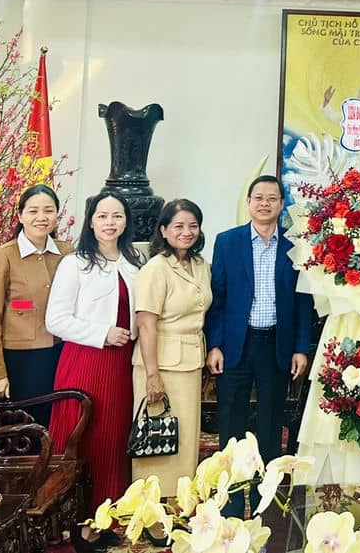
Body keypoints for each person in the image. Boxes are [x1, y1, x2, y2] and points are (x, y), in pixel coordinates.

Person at [206, 175, 314, 517]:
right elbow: (217, 299)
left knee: (270, 424)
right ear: (249, 202)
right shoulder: (228, 242)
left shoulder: (295, 246)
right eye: (259, 198)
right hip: (237, 345)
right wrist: (216, 345)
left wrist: (300, 348)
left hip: (275, 345)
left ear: (282, 205)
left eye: (272, 198)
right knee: (231, 423)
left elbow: (302, 303)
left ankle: (268, 500)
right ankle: (233, 503)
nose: (265, 203)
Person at [46, 190, 143, 509]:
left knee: (114, 437)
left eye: (117, 216)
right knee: (84, 435)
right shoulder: (75, 263)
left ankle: (111, 509)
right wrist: (102, 333)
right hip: (85, 361)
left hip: (122, 364)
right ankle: (72, 513)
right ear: (90, 222)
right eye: (102, 216)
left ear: (126, 221)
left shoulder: (134, 262)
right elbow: (55, 320)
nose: (110, 222)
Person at [132, 199, 212, 496]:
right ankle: (149, 510)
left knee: (185, 439)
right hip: (160, 364)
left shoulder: (201, 265)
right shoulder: (156, 268)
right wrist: (152, 375)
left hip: (191, 362)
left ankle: (180, 504)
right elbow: (146, 323)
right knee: (155, 438)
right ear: (163, 230)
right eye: (178, 226)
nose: (186, 232)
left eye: (193, 226)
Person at [0, 184, 72, 426]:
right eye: (33, 211)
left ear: (56, 215)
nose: (41, 218)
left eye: (48, 211)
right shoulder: (3, 256)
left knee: (56, 427)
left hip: (61, 355)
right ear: (20, 216)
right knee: (21, 433)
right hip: (20, 361)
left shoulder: (68, 253)